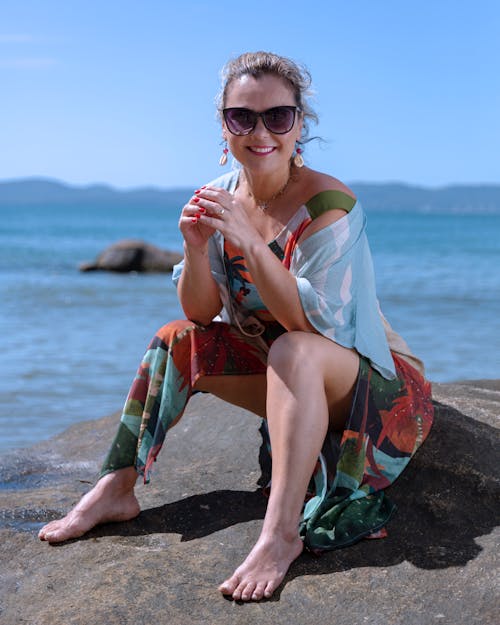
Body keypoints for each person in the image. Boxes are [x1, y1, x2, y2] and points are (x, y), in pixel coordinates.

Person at [38, 51, 434, 602]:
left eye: (278, 116)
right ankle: (115, 487)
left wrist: (250, 241)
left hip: (372, 391)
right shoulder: (220, 194)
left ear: (300, 125)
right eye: (242, 117)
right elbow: (201, 315)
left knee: (293, 349)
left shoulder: (330, 206)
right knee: (176, 339)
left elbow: (310, 328)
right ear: (224, 127)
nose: (260, 131)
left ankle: (279, 535)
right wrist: (196, 249)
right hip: (286, 373)